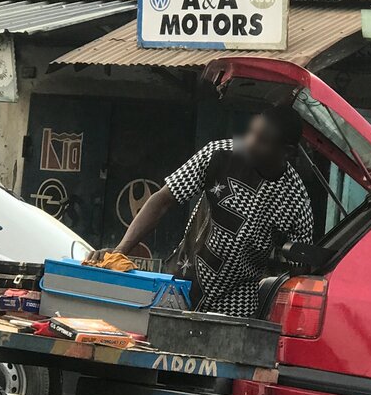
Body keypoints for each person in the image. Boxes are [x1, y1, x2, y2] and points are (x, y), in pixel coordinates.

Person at [86, 105, 315, 318]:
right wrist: (120, 251)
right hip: (180, 283)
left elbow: (300, 271)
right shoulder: (219, 154)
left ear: (287, 151)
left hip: (237, 302)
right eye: (252, 133)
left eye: (262, 141)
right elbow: (162, 200)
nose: (250, 143)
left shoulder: (296, 201)